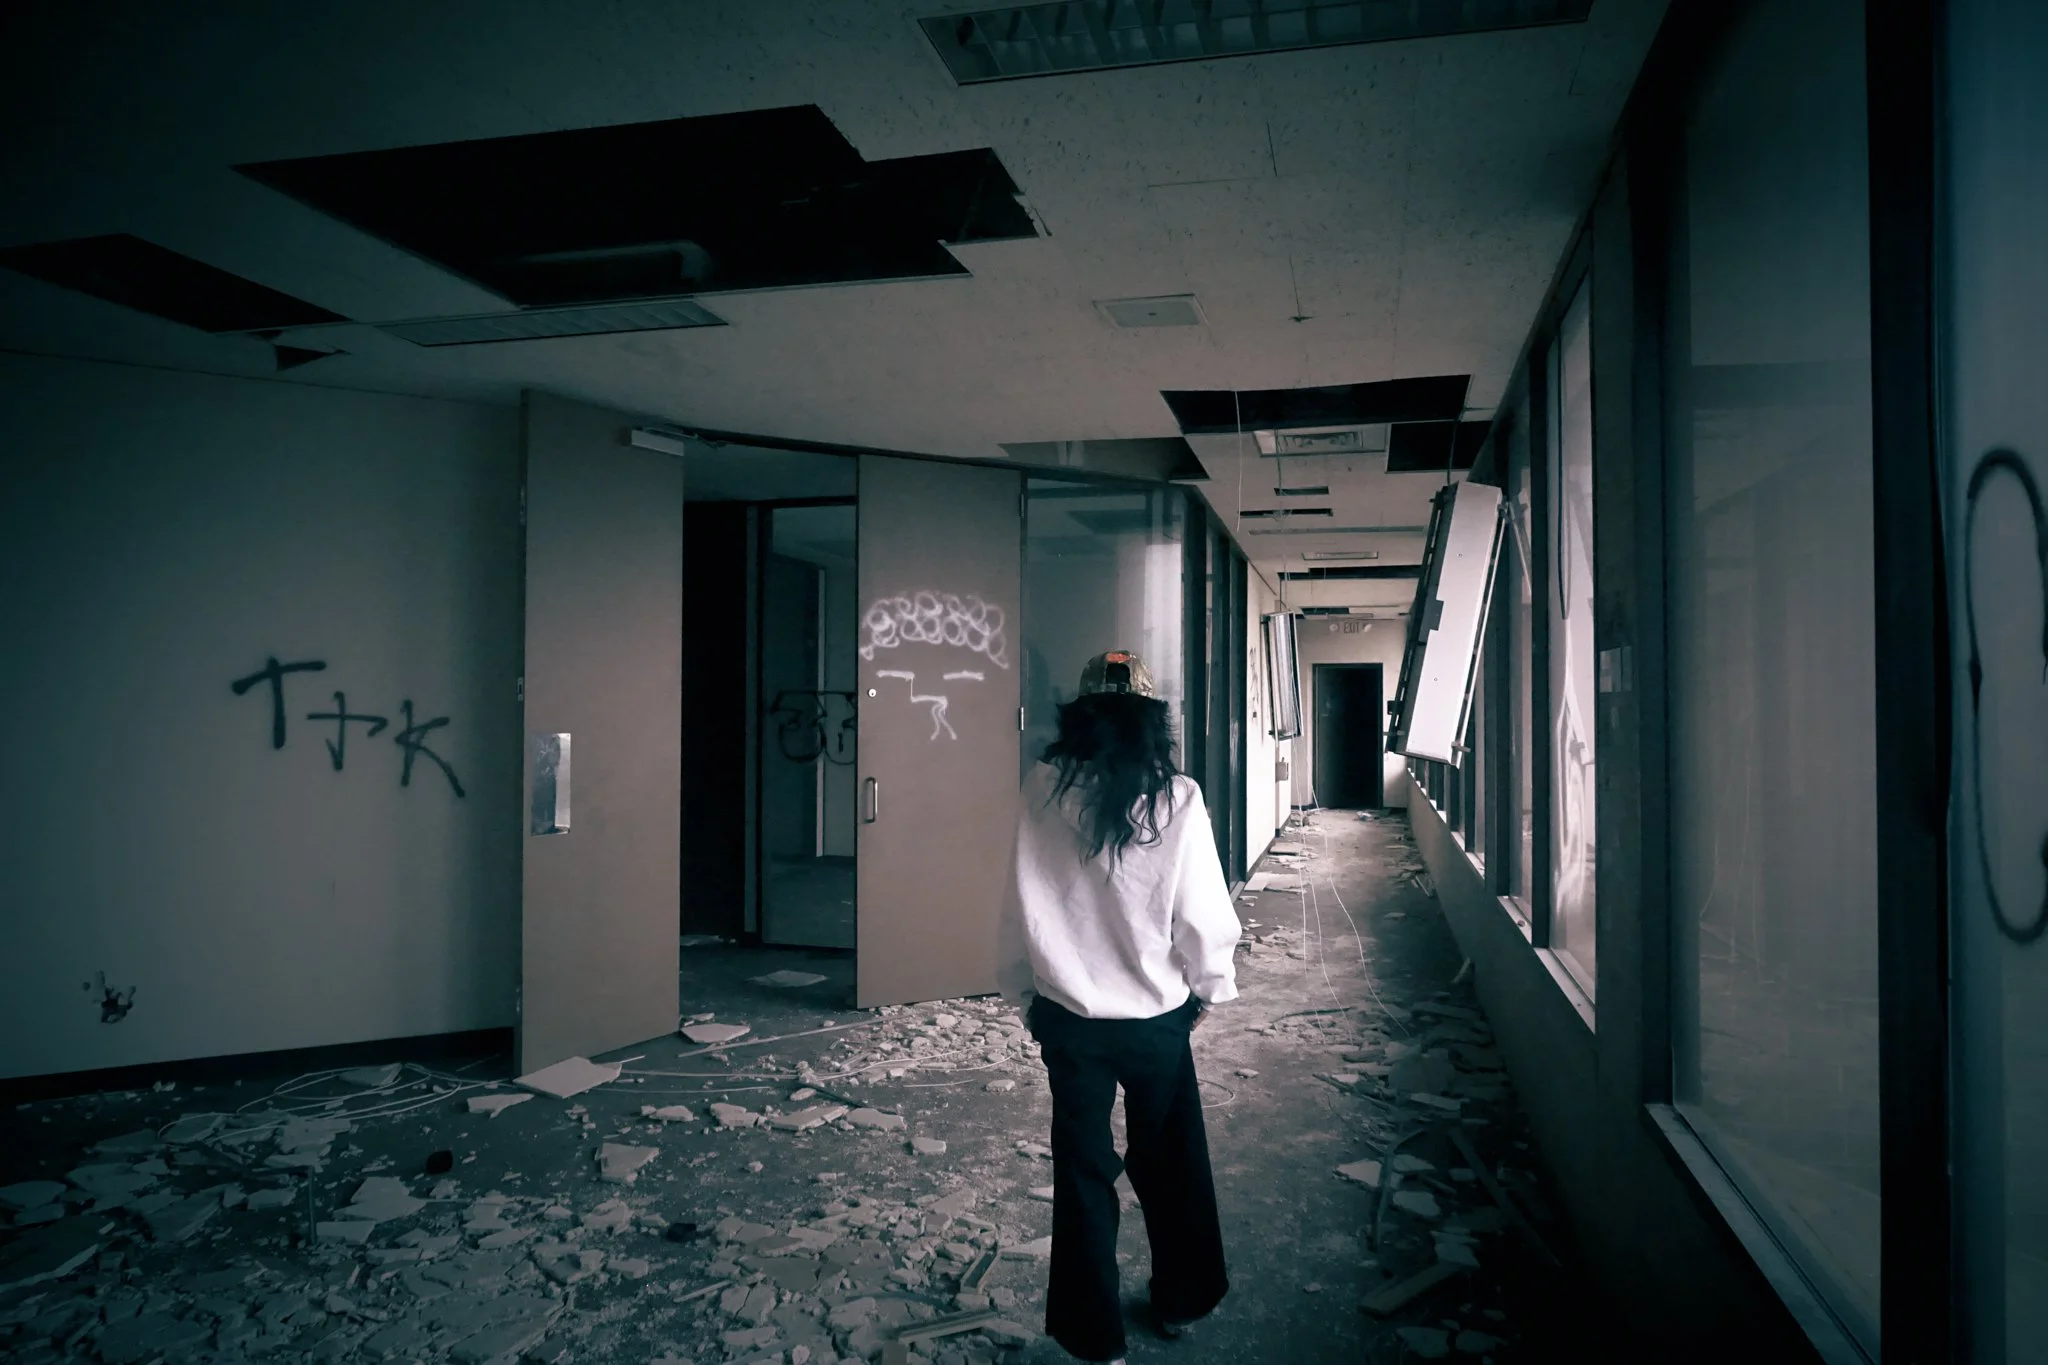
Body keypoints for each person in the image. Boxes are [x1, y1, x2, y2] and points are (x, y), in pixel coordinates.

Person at [996, 649, 1240, 1365]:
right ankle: (1180, 1300)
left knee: (1081, 1176)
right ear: (1149, 722)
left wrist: (1023, 994)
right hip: (1157, 1020)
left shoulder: (1040, 790)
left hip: (1070, 1020)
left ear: (1080, 718)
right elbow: (1203, 914)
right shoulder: (1178, 798)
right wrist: (1208, 987)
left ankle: (1094, 1338)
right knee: (1172, 1162)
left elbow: (1017, 905)